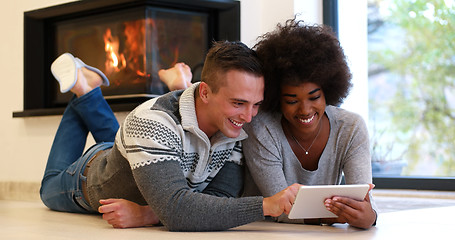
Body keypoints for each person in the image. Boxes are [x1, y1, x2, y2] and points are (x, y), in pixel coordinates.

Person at [39, 41, 301, 231]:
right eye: (238, 103)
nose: (249, 117)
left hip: (140, 152)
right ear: (206, 93)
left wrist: (147, 214)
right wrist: (266, 205)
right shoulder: (151, 122)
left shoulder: (236, 126)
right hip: (87, 178)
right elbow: (178, 212)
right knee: (47, 189)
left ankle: (175, 89)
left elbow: (221, 198)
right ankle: (84, 91)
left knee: (134, 139)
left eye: (256, 104)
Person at [242, 19, 377, 229]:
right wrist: (335, 216)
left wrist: (369, 216)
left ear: (328, 91)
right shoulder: (260, 127)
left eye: (314, 98)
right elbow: (280, 208)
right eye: (292, 101)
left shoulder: (350, 128)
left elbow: (363, 202)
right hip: (261, 230)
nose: (305, 110)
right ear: (276, 98)